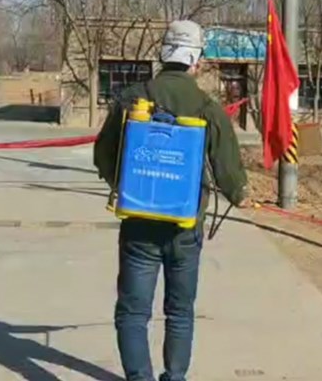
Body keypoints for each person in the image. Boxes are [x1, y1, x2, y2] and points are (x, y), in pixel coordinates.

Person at [93, 19, 249, 381]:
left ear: (164, 53)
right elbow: (228, 171)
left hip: (139, 223)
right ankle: (175, 377)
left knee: (133, 313)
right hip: (185, 227)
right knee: (179, 311)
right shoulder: (206, 106)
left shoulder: (132, 98)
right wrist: (240, 193)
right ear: (196, 60)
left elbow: (103, 155)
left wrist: (124, 184)